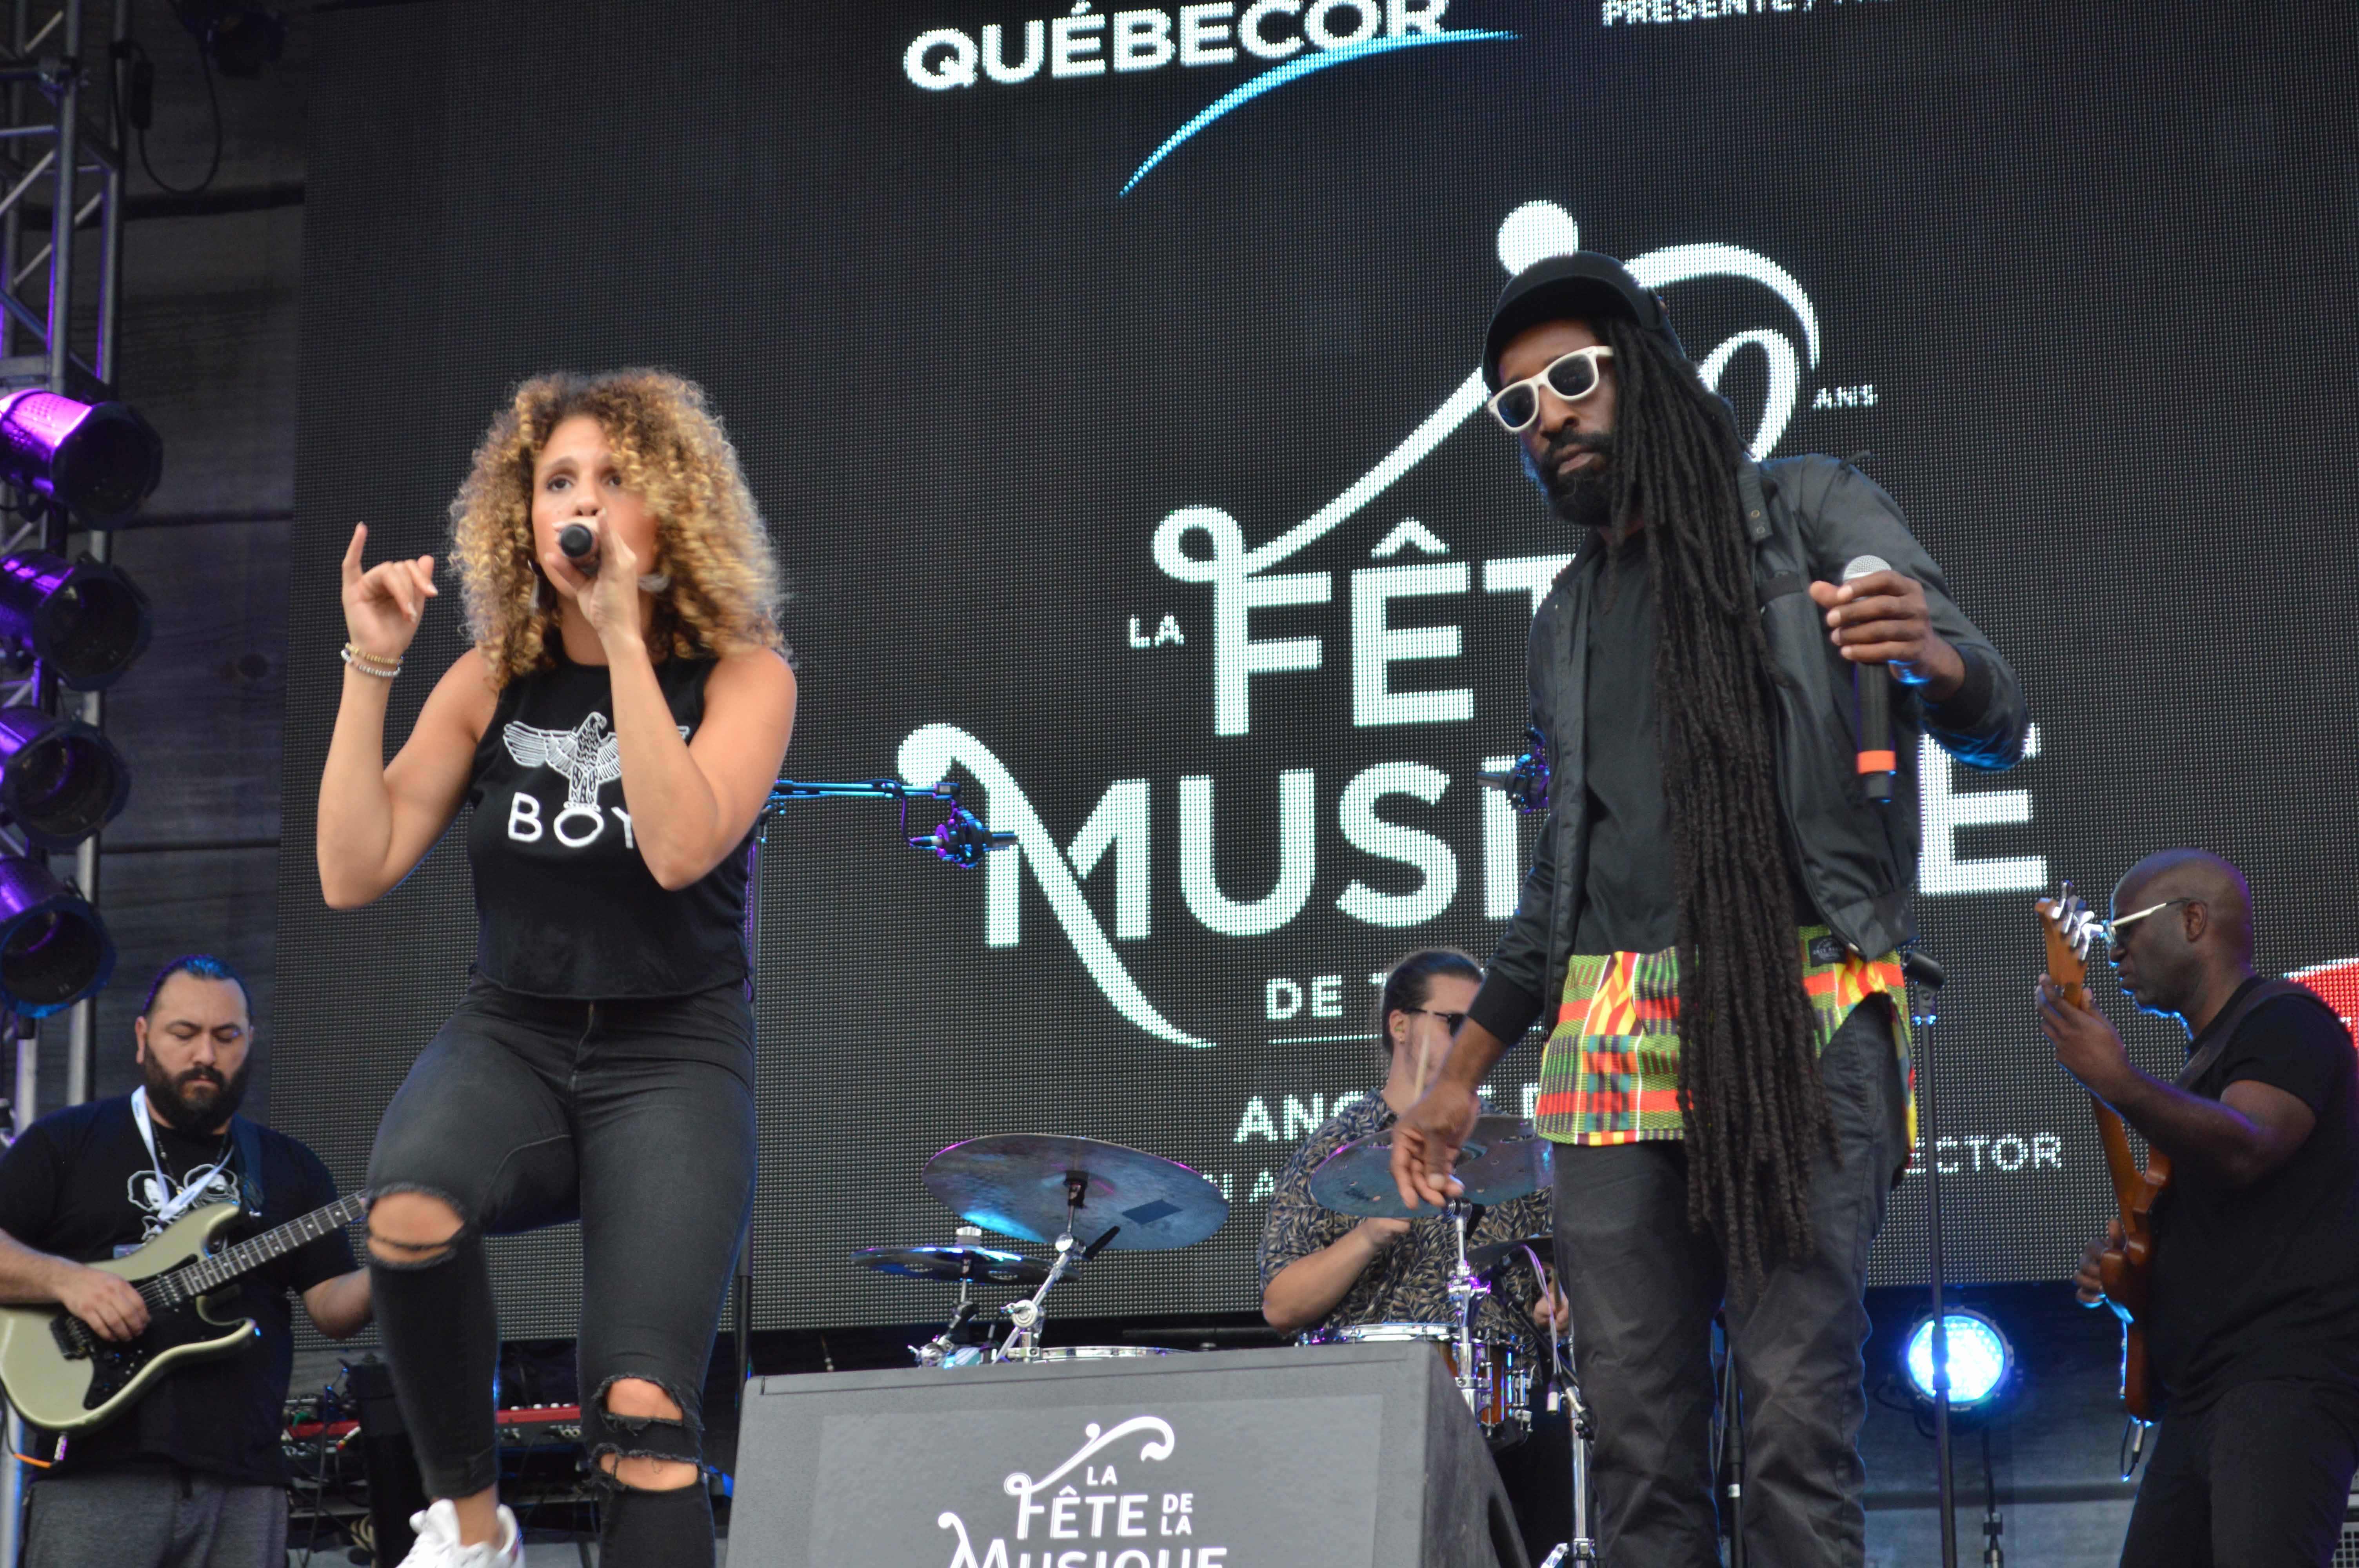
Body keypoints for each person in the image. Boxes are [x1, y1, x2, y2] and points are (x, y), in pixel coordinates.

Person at [1387, 252, 2028, 1563]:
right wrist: (1458, 1075)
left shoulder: (1807, 509)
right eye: (1517, 406)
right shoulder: (1566, 616)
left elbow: (1995, 715)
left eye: (1573, 378)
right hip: (1608, 1040)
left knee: (1794, 1425)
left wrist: (1929, 655)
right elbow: (1556, 885)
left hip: (1798, 1009)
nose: (1549, 417)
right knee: (1635, 1445)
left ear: (1649, 373)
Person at [319, 370, 796, 1568]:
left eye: (613, 479)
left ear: (670, 509)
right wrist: (371, 665)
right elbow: (352, 868)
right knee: (408, 1209)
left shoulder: (745, 674)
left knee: (642, 1415)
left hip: (673, 1054)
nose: (580, 503)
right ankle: (473, 1530)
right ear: (520, 514)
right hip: (513, 1035)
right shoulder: (491, 678)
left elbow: (678, 849)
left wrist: (626, 642)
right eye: (557, 481)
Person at [2039, 850, 2359, 1568]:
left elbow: (2249, 1146)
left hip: (2283, 1378)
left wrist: (2118, 1080)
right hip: (2202, 1391)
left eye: (2125, 930)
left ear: (2192, 921)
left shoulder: (2286, 1021)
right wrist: (2124, 1268)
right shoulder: (2200, 1067)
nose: (2114, 952)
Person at [0, 954, 372, 1568]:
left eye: (226, 1036)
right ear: (142, 1037)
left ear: (250, 1040)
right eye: (185, 1033)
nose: (206, 1054)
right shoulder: (66, 1141)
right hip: (94, 1472)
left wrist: (394, 1265)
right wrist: (68, 1282)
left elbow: (332, 1309)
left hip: (244, 1477)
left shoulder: (289, 1167)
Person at [1260, 949, 1563, 1350]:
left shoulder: (1515, 1145)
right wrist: (1369, 1235)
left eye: (1481, 1026)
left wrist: (1561, 1302)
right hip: (1372, 1378)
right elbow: (1281, 1308)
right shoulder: (1336, 1145)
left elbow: (1564, 1263)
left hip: (1498, 1380)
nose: (1473, 1040)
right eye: (1456, 1023)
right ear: (1400, 1025)